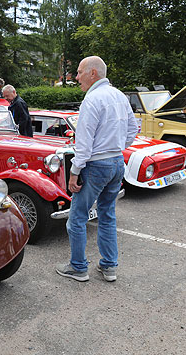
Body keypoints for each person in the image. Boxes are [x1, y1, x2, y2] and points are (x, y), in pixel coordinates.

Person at [56, 56, 138, 282]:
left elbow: (83, 143)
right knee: (107, 214)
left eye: (80, 72)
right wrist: (117, 146)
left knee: (77, 219)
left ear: (93, 73)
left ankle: (78, 267)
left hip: (96, 164)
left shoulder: (91, 99)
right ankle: (109, 266)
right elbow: (133, 129)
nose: (76, 76)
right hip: (116, 162)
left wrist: (74, 172)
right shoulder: (119, 96)